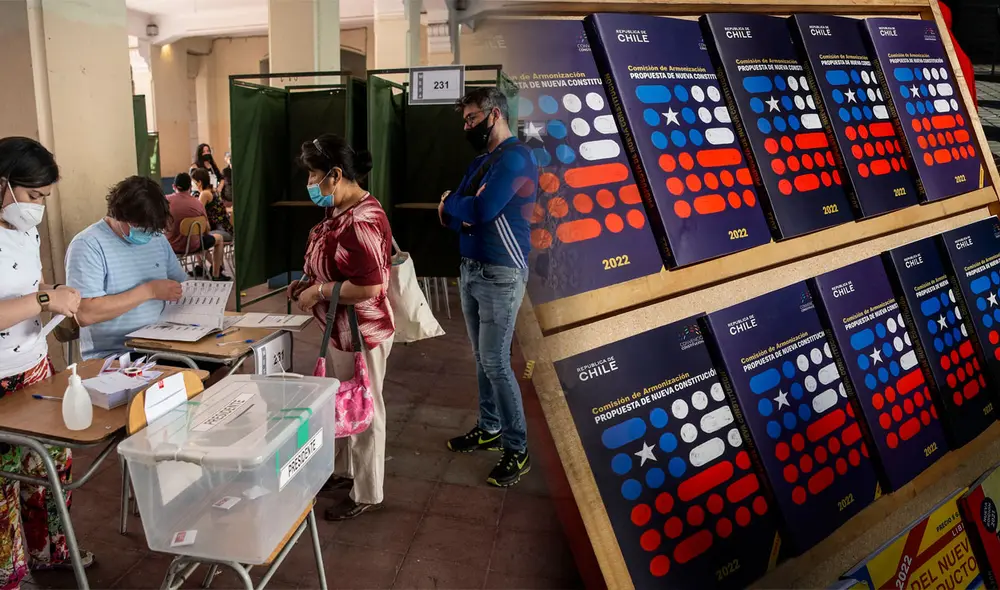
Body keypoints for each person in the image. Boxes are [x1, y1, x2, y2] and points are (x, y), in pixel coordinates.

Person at [286, 134, 394, 521]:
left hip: (362, 332)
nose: (310, 184)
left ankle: (368, 491)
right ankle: (348, 472)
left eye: (313, 175)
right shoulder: (341, 209)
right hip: (341, 330)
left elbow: (370, 286)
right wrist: (308, 284)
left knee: (366, 407)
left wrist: (318, 291)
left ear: (335, 174)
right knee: (347, 400)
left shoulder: (362, 220)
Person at [0, 136, 93, 584]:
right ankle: (10, 574)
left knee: (50, 465)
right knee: (3, 484)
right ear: (3, 184)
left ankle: (50, 549)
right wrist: (43, 300)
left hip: (33, 365)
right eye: (33, 196)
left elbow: (31, 285)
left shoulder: (24, 229)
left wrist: (55, 295)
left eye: (44, 198)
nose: (37, 207)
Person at [440, 87, 539, 488]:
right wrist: (457, 205)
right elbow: (451, 214)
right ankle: (490, 427)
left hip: (501, 272)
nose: (467, 127)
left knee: (496, 361)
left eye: (472, 119)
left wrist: (455, 203)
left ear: (494, 114)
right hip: (470, 268)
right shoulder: (482, 162)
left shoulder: (517, 157)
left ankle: (518, 449)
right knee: (482, 359)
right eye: (464, 121)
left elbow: (479, 209)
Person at [66, 176, 187, 360]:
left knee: (221, 367)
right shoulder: (88, 245)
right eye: (140, 227)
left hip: (164, 341)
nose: (147, 233)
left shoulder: (156, 238)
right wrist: (150, 291)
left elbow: (182, 283)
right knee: (193, 374)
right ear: (118, 215)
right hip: (117, 354)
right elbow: (86, 314)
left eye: (151, 229)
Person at [165, 173, 229, 281]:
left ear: (173, 186)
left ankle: (200, 267)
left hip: (171, 247)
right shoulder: (198, 203)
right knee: (218, 238)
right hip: (194, 246)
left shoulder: (165, 201)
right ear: (190, 187)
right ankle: (216, 274)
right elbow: (206, 228)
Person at [193, 168, 234, 243]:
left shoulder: (204, 194)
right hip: (227, 230)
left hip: (221, 231)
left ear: (199, 182)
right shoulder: (213, 190)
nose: (192, 185)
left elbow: (197, 212)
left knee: (196, 237)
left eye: (194, 182)